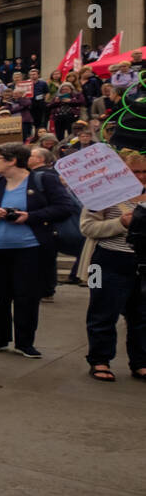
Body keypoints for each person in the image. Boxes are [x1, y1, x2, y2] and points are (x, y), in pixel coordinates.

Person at [0, 142, 78, 358]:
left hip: (31, 249)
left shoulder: (43, 179)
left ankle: (25, 342)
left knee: (27, 296)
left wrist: (30, 216)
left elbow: (64, 207)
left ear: (12, 160)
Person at [80, 151, 146, 381]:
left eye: (144, 172)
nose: (140, 176)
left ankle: (140, 362)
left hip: (141, 263)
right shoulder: (103, 195)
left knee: (141, 316)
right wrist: (120, 223)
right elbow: (88, 228)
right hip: (105, 260)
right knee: (102, 313)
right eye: (134, 172)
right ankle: (99, 360)